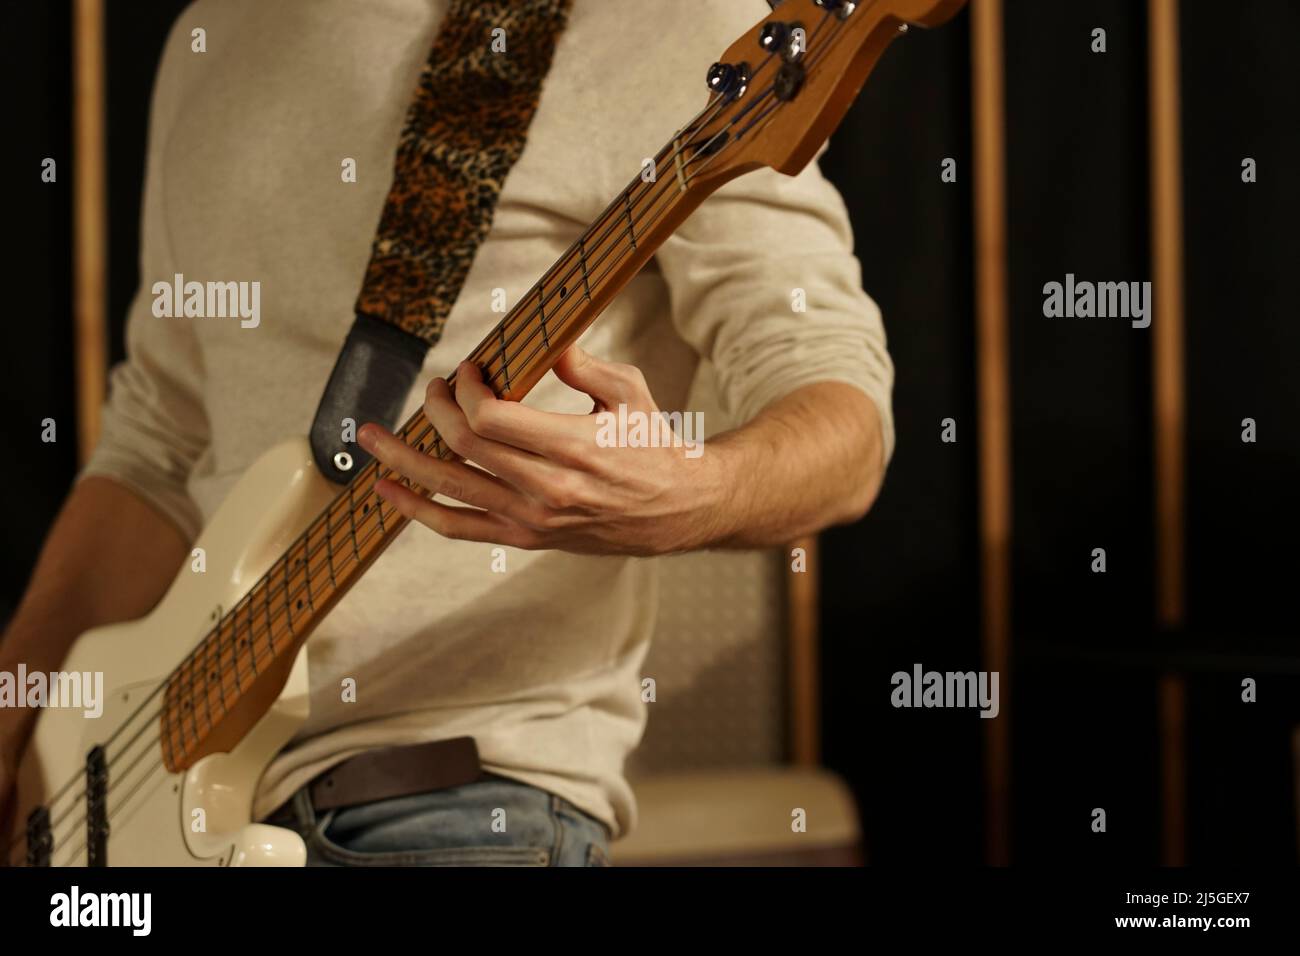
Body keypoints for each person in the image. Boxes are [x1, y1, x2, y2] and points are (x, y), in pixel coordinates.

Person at [0, 0, 894, 865]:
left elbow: (839, 407)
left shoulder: (669, 20)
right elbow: (159, 442)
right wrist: (23, 695)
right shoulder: (213, 30)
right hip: (139, 797)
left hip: (457, 798)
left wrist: (692, 496)